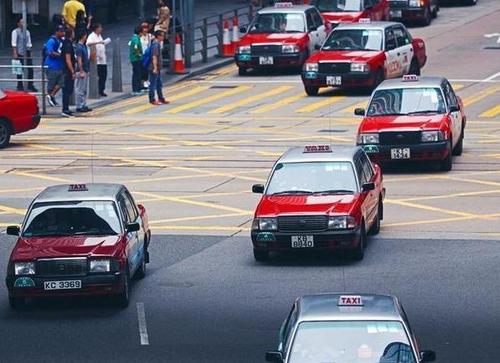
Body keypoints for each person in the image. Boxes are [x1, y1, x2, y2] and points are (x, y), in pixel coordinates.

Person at [11, 18, 37, 92]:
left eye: (24, 22)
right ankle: (19, 85)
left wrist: (30, 51)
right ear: (18, 24)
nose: (23, 24)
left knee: (30, 69)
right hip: (19, 52)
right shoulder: (15, 32)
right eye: (21, 22)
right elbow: (14, 44)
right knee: (19, 70)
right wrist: (15, 53)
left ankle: (30, 84)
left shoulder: (27, 32)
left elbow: (29, 43)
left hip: (27, 52)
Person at [44, 25, 65, 107]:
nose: (63, 33)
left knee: (61, 82)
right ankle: (51, 98)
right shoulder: (51, 41)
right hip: (52, 66)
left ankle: (51, 95)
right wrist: (60, 55)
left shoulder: (61, 40)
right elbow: (50, 52)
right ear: (56, 32)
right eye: (61, 31)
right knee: (51, 84)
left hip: (60, 65)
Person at [86, 23, 109, 97]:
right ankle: (97, 90)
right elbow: (88, 43)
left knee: (104, 75)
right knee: (97, 76)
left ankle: (101, 90)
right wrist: (98, 42)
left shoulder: (100, 36)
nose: (101, 29)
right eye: (100, 27)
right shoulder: (91, 36)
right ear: (97, 29)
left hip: (102, 59)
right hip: (96, 60)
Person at [148, 30, 168, 105]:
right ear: (158, 36)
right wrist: (155, 68)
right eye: (162, 35)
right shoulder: (156, 44)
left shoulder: (156, 43)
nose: (163, 37)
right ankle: (152, 99)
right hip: (154, 67)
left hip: (157, 67)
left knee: (159, 83)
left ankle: (161, 98)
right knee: (153, 84)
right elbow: (154, 57)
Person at [75, 31, 92, 113]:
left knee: (84, 89)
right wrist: (81, 70)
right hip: (81, 70)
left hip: (85, 69)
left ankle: (83, 104)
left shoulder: (83, 46)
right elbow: (79, 60)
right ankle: (79, 105)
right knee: (80, 89)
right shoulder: (79, 47)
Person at [61, 28, 76, 117]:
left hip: (68, 70)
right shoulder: (67, 44)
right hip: (67, 71)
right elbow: (68, 59)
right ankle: (65, 109)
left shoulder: (68, 43)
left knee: (69, 90)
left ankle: (66, 108)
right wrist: (72, 71)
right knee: (66, 90)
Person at [140, 21, 154, 90]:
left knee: (147, 70)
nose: (145, 29)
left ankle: (146, 83)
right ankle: (142, 84)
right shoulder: (139, 36)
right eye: (143, 28)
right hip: (141, 56)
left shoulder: (150, 36)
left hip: (148, 56)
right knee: (142, 71)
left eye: (146, 28)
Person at [129, 25, 143, 96]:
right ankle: (136, 89)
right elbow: (136, 47)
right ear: (140, 32)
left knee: (136, 74)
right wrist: (139, 54)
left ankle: (136, 89)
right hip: (136, 59)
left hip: (133, 59)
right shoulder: (136, 39)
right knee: (137, 74)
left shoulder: (133, 38)